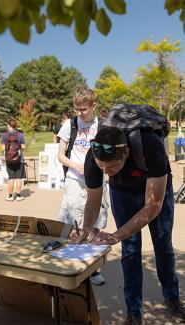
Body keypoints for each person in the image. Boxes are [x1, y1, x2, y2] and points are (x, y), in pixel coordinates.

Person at [73, 126, 185, 325]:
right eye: (102, 168)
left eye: (112, 167)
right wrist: (86, 229)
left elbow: (153, 207)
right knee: (130, 250)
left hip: (157, 190)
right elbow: (93, 201)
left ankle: (172, 298)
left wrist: (116, 235)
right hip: (123, 191)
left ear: (125, 152)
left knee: (163, 246)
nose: (106, 172)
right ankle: (134, 311)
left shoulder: (152, 146)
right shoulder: (94, 157)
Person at [57, 87, 107, 286]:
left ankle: (92, 268)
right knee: (73, 222)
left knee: (95, 223)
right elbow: (61, 155)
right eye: (76, 109)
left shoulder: (103, 125)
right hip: (74, 178)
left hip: (98, 181)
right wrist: (76, 165)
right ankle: (72, 262)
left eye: (83, 109)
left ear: (94, 106)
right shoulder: (70, 125)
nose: (79, 113)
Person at [1, 118, 26, 201]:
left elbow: (3, 148)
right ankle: (18, 196)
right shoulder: (20, 134)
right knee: (18, 178)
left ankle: (10, 196)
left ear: (8, 125)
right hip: (19, 159)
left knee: (11, 178)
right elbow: (23, 147)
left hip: (9, 159)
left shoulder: (4, 135)